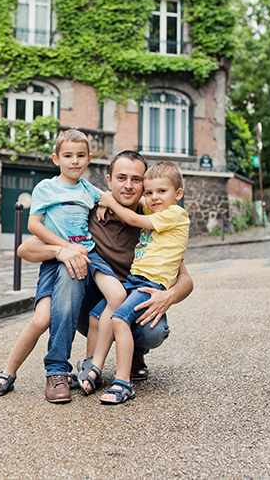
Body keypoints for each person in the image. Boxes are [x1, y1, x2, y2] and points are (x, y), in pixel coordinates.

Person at [16, 151, 193, 403]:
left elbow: (185, 279)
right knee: (71, 267)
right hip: (91, 308)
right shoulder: (87, 214)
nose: (129, 185)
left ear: (145, 185)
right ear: (109, 182)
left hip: (132, 303)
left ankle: (133, 354)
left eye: (136, 179)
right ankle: (60, 369)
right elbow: (25, 249)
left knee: (151, 330)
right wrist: (61, 250)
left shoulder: (154, 222)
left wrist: (169, 296)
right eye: (121, 178)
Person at [0, 129, 126, 403]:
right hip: (56, 258)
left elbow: (115, 200)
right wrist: (62, 248)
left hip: (86, 255)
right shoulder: (45, 188)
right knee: (40, 320)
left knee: (114, 294)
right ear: (56, 159)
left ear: (89, 159)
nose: (75, 161)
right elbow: (33, 226)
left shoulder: (88, 191)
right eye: (68, 155)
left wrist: (155, 204)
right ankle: (10, 372)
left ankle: (86, 365)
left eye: (81, 156)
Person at [78, 161, 190, 404]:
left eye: (161, 192)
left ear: (178, 194)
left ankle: (122, 382)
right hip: (133, 281)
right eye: (149, 192)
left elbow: (132, 218)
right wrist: (107, 198)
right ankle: (92, 367)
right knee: (98, 315)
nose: (153, 198)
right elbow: (135, 203)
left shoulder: (174, 215)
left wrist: (109, 202)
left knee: (119, 318)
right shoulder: (154, 209)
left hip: (151, 284)